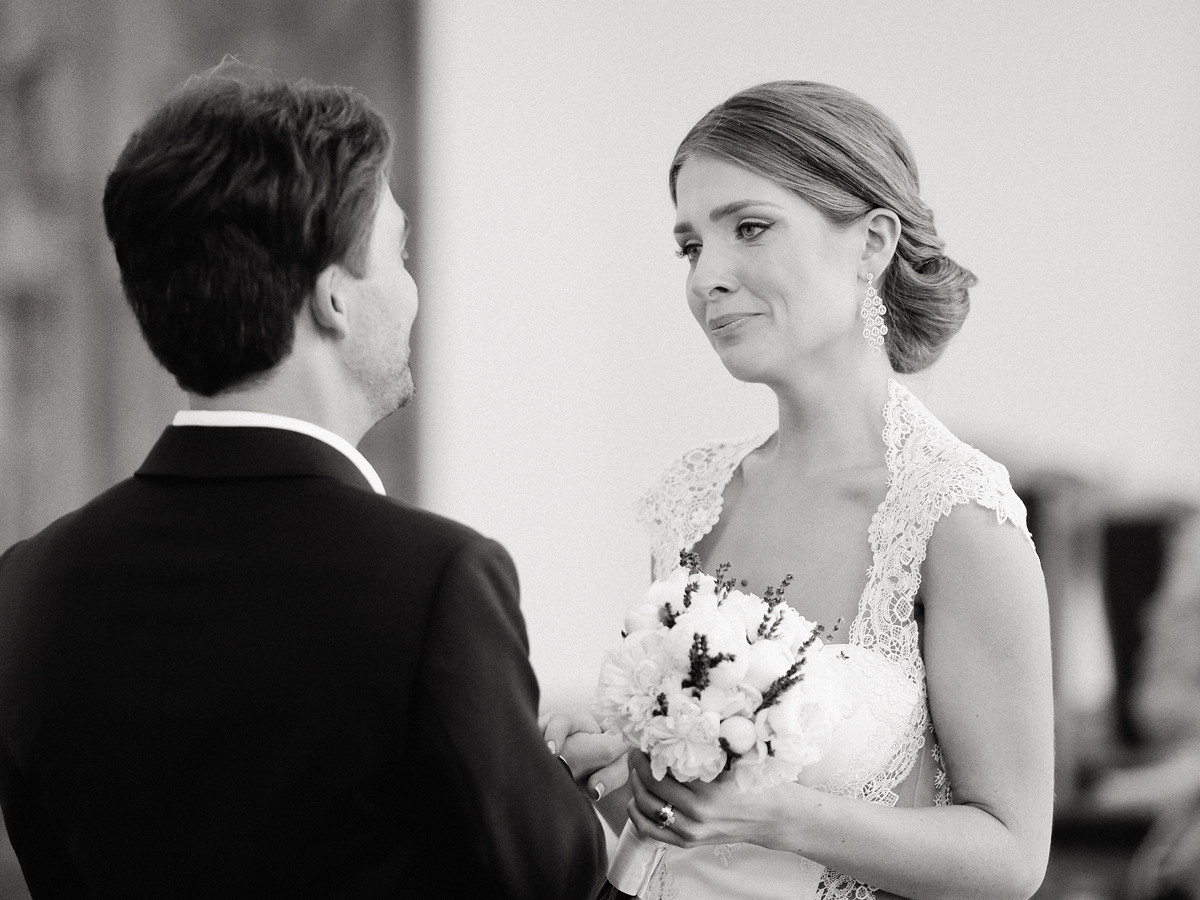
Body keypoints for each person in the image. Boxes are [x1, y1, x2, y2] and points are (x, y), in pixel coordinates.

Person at [0, 63, 605, 898]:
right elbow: (554, 887)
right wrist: (557, 788)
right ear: (334, 300)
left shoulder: (25, 586)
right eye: (398, 252)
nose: (413, 289)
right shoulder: (435, 583)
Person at [578, 81, 1054, 899]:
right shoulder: (694, 497)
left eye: (750, 228)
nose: (707, 278)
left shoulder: (956, 516)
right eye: (690, 247)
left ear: (872, 243)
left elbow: (1012, 860)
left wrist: (772, 814)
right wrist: (612, 771)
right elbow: (678, 837)